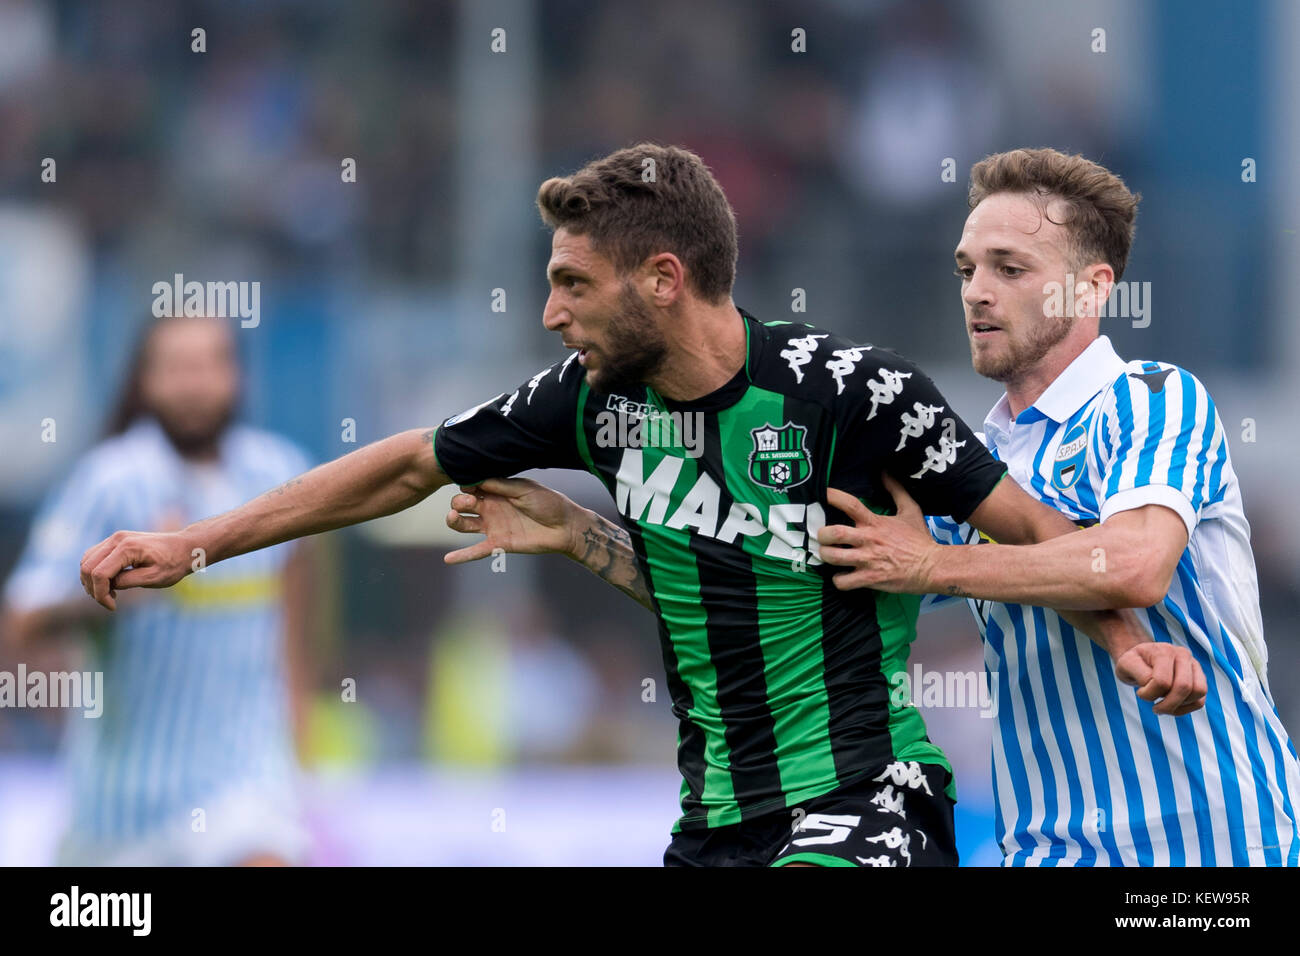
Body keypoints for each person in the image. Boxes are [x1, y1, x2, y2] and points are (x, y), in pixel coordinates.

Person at [77, 144, 1196, 867]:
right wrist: (198, 539)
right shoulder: (588, 403)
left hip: (866, 799)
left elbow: (1041, 538)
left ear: (660, 278)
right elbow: (407, 462)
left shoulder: (855, 392)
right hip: (710, 822)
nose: (553, 312)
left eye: (573, 283)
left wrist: (1135, 642)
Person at [457, 148, 1295, 867]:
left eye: (1011, 269)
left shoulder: (1152, 402)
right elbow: (771, 587)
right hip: (1049, 844)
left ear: (1092, 287)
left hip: (1212, 841)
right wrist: (581, 533)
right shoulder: (971, 463)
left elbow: (1139, 563)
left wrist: (936, 562)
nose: (977, 291)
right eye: (967, 269)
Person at [4, 314, 315, 866]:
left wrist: (300, 731)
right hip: (122, 810)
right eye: (176, 368)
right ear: (145, 382)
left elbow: (293, 623)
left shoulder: (279, 473)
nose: (194, 384)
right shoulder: (108, 481)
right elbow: (24, 616)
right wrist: (114, 599)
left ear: (236, 376)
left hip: (245, 781)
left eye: (208, 366)